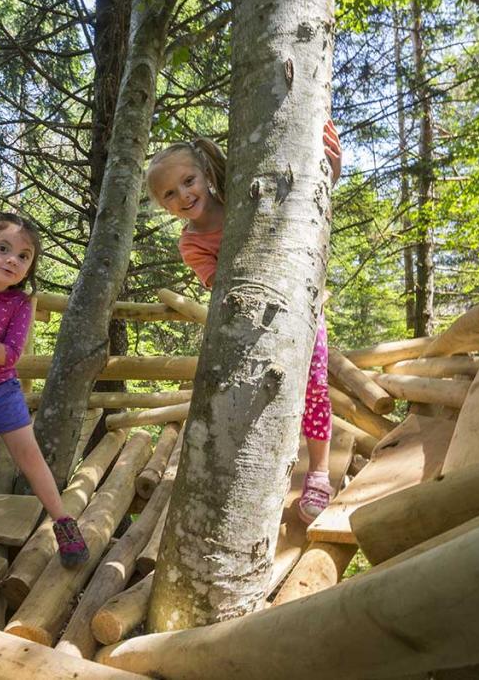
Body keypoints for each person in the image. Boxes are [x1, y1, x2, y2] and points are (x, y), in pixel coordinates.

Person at [144, 121, 342, 523]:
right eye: (170, 193)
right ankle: (262, 471)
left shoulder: (246, 195)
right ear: (163, 206)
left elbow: (304, 209)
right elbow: (220, 285)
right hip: (249, 324)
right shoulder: (191, 242)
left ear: (204, 173)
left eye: (188, 181)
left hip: (302, 308)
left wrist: (329, 173)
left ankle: (319, 470)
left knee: (314, 387)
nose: (183, 195)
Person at [0, 211, 89, 566]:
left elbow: (9, 356)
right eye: (3, 248)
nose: (12, 260)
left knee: (30, 457)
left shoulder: (18, 303)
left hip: (1, 392)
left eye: (24, 256)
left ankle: (63, 522)